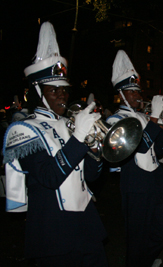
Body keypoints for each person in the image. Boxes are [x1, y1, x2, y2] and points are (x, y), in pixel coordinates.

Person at [2, 22, 107, 267]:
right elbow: (49, 177)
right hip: (53, 231)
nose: (62, 95)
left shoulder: (70, 124)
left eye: (64, 90)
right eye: (54, 90)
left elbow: (91, 176)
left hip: (87, 225)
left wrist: (95, 151)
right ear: (38, 91)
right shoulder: (23, 129)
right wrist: (79, 137)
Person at [106, 50, 163, 267]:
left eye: (138, 91)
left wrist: (162, 122)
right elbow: (140, 147)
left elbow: (158, 149)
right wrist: (154, 120)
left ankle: (145, 260)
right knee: (137, 236)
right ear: (121, 94)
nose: (138, 95)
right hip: (135, 185)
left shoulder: (143, 117)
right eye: (132, 92)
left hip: (154, 181)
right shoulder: (115, 120)